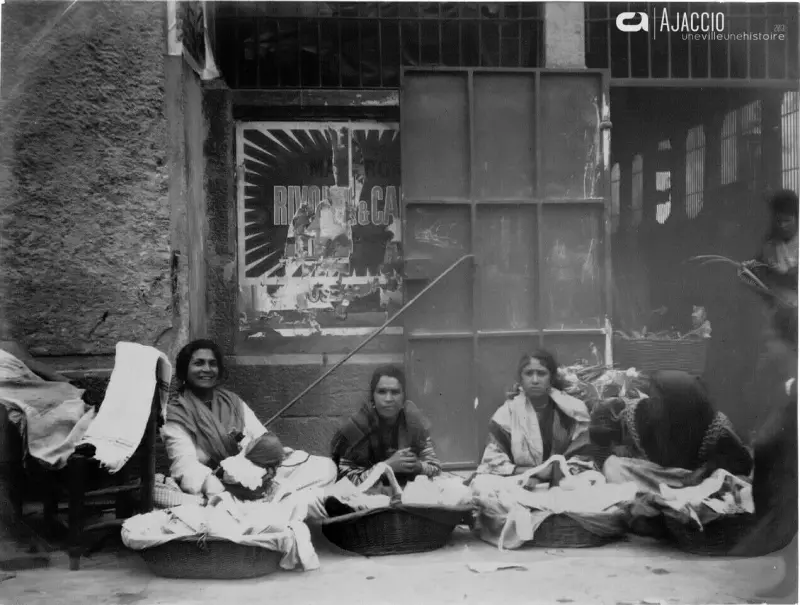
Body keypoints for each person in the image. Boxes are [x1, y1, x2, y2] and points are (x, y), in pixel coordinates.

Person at [161, 339, 336, 503]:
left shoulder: (232, 401)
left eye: (212, 363)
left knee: (326, 468)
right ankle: (277, 500)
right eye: (198, 363)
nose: (207, 369)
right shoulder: (177, 413)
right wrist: (219, 484)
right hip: (216, 482)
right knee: (215, 492)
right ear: (184, 371)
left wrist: (267, 465)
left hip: (255, 473)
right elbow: (185, 466)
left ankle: (275, 497)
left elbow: (262, 439)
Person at [590, 370, 753, 493]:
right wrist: (617, 447)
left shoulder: (713, 425)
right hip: (653, 475)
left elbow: (742, 462)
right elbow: (601, 427)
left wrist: (708, 469)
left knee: (728, 483)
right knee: (613, 465)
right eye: (650, 397)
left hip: (691, 478)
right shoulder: (641, 413)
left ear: (677, 405)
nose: (649, 403)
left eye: (656, 400)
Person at [472, 350, 593, 481]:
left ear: (551, 378)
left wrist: (555, 472)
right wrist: (532, 472)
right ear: (521, 379)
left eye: (541, 374)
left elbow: (583, 457)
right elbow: (492, 462)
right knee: (483, 483)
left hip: (564, 480)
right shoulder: (506, 414)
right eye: (529, 373)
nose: (535, 380)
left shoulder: (572, 411)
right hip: (520, 480)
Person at [330, 365, 441, 487]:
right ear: (373, 396)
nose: (388, 399)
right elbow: (345, 481)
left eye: (395, 392)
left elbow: (435, 467)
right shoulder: (357, 427)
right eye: (382, 392)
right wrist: (385, 467)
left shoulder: (413, 422)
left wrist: (418, 466)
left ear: (404, 396)